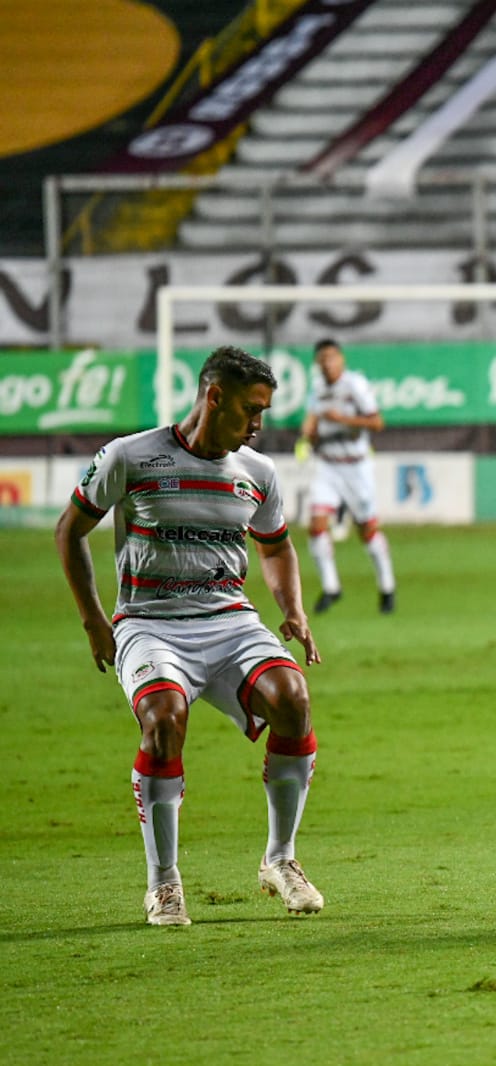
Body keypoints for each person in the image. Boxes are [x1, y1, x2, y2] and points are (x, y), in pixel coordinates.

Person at [55, 346, 324, 926]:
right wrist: (94, 621)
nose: (258, 425)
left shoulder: (259, 472)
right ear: (214, 396)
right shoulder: (130, 456)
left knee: (293, 700)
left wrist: (293, 609)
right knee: (164, 720)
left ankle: (281, 860)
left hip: (230, 622)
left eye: (264, 414)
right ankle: (165, 884)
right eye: (251, 411)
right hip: (150, 624)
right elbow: (69, 530)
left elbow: (275, 545)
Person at [297, 338, 397, 614]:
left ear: (341, 359)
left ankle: (387, 587)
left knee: (367, 532)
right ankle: (331, 587)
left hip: (357, 467)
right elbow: (312, 420)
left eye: (332, 357)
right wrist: (308, 436)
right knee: (316, 524)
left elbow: (377, 421)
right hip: (329, 466)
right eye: (322, 359)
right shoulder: (317, 389)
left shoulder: (355, 385)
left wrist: (343, 420)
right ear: (317, 363)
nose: (328, 363)